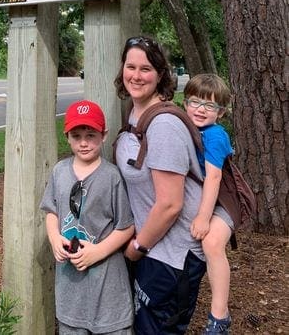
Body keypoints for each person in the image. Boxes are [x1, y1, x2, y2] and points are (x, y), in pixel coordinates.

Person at [113, 36, 207, 334]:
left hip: (171, 255)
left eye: (146, 69)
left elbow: (170, 204)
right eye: (131, 67)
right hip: (153, 249)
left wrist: (136, 249)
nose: (136, 76)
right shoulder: (135, 110)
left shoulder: (164, 125)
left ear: (161, 74)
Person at [40, 99, 134, 335]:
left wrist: (97, 252)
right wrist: (54, 238)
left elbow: (126, 226)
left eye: (90, 135)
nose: (83, 142)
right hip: (70, 292)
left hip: (108, 291)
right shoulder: (60, 171)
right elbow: (51, 210)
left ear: (103, 135)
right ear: (67, 136)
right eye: (76, 135)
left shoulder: (111, 176)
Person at [183, 74, 234, 334]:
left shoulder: (214, 135)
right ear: (185, 103)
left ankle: (219, 316)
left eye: (210, 105)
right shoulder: (187, 128)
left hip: (225, 199)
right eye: (195, 102)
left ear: (221, 112)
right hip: (205, 195)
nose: (201, 109)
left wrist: (203, 217)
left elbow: (214, 177)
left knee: (211, 242)